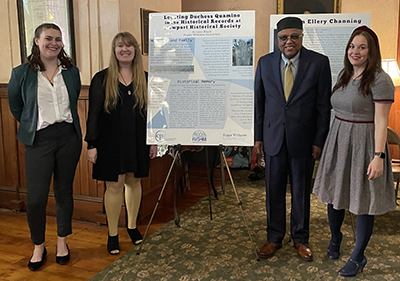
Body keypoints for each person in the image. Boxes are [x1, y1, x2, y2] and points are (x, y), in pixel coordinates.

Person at [313, 26, 396, 277]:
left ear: (372, 52)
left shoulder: (380, 80)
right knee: (334, 195)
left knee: (363, 202)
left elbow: (382, 120)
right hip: (338, 140)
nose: (355, 51)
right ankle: (335, 238)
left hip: (365, 144)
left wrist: (378, 156)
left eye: (362, 47)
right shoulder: (345, 75)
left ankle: (358, 256)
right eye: (352, 46)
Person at [254, 16, 331, 261]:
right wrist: (258, 138)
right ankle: (274, 236)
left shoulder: (318, 63)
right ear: (277, 39)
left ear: (301, 37)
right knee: (273, 190)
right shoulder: (265, 63)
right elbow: (259, 103)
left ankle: (300, 238)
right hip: (273, 138)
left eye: (294, 36)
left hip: (304, 140)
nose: (289, 41)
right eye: (283, 37)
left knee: (300, 191)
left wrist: (319, 140)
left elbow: (323, 106)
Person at [7, 23, 82, 271]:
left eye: (58, 39)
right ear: (37, 41)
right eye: (48, 38)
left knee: (64, 192)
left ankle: (62, 241)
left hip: (68, 137)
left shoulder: (70, 71)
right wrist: (33, 125)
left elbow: (73, 100)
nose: (54, 43)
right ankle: (38, 245)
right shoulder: (21, 73)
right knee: (37, 198)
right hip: (39, 139)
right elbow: (17, 107)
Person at [85, 32, 157, 255]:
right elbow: (94, 114)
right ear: (114, 50)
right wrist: (91, 144)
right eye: (120, 46)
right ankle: (113, 234)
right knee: (114, 186)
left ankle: (132, 227)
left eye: (129, 46)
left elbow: (154, 114)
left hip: (138, 140)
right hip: (109, 142)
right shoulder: (102, 78)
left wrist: (154, 141)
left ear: (135, 49)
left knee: (134, 183)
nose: (124, 49)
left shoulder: (146, 78)